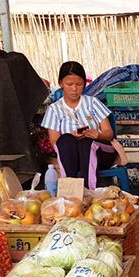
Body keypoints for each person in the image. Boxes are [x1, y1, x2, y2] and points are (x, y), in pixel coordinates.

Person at [42, 61, 117, 189]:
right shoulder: (54, 109)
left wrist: (98, 135)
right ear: (61, 83)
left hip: (101, 155)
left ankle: (89, 190)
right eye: (69, 84)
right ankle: (70, 189)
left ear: (84, 84)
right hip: (71, 157)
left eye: (79, 84)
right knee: (65, 140)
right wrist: (72, 137)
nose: (74, 89)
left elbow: (109, 133)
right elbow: (55, 142)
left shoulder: (93, 103)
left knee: (86, 143)